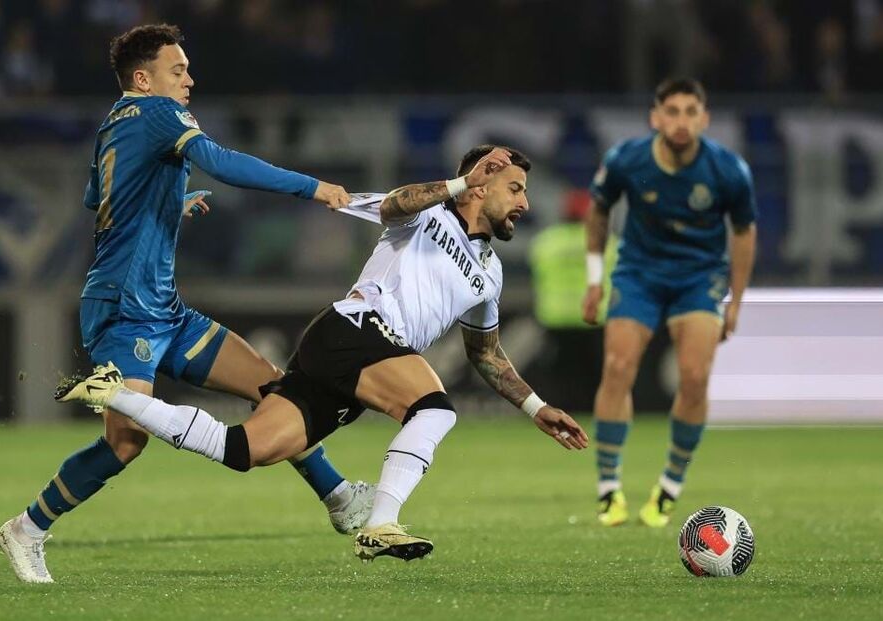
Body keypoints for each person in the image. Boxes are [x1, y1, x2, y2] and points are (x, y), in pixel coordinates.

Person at [56, 145, 590, 563]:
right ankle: (381, 525)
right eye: (515, 188)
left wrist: (536, 407)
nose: (524, 202)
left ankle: (117, 395)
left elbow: (488, 354)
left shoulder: (490, 272)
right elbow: (389, 205)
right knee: (433, 409)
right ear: (479, 186)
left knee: (245, 450)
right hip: (358, 329)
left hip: (345, 352)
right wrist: (456, 184)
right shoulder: (425, 215)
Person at [0, 24, 372, 584]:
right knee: (126, 443)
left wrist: (172, 198)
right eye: (178, 70)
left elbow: (96, 199)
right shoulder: (158, 114)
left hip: (163, 308)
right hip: (125, 306)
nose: (189, 80)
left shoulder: (110, 126)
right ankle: (26, 529)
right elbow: (221, 160)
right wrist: (311, 187)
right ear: (143, 79)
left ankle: (340, 497)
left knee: (273, 386)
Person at [582, 78, 757, 527]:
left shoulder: (728, 169)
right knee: (618, 368)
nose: (682, 121)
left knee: (695, 376)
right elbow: (598, 209)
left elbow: (743, 233)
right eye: (672, 111)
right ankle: (609, 490)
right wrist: (595, 280)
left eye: (690, 111)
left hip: (698, 279)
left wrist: (736, 299)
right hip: (638, 274)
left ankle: (669, 488)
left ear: (705, 118)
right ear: (655, 117)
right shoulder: (627, 158)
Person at [527, 188, 617, 412]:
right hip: (593, 316)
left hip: (556, 317)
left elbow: (536, 270)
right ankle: (595, 411)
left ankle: (559, 411)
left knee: (560, 371)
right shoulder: (605, 243)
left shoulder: (546, 242)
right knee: (594, 371)